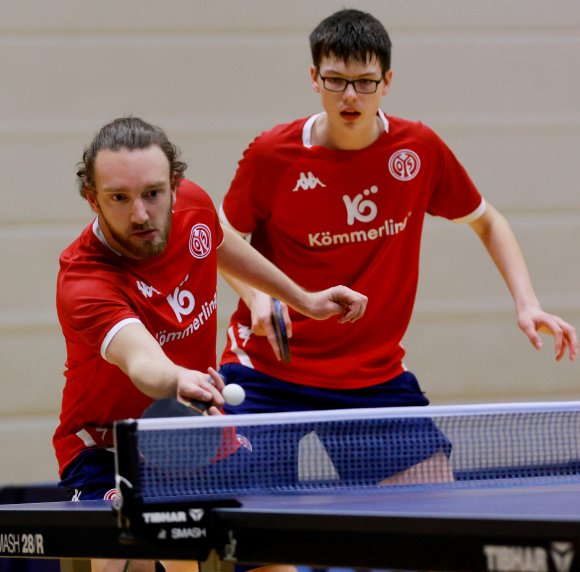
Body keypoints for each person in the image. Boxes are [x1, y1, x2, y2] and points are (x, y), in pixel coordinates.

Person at [217, 9, 578, 485]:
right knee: (256, 544)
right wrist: (256, 297)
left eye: (365, 81)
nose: (350, 95)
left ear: (387, 81)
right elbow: (222, 234)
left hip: (372, 377)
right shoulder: (274, 154)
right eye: (336, 80)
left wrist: (527, 303)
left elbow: (487, 220)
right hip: (267, 372)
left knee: (429, 532)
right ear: (314, 78)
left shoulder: (418, 149)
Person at [53, 116, 367, 572]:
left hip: (190, 432)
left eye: (153, 194)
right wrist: (178, 378)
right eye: (119, 198)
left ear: (176, 187)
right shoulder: (85, 281)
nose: (140, 213)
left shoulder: (195, 207)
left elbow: (221, 242)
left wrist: (304, 299)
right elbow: (142, 360)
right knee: (130, 551)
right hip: (106, 446)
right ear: (92, 198)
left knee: (271, 541)